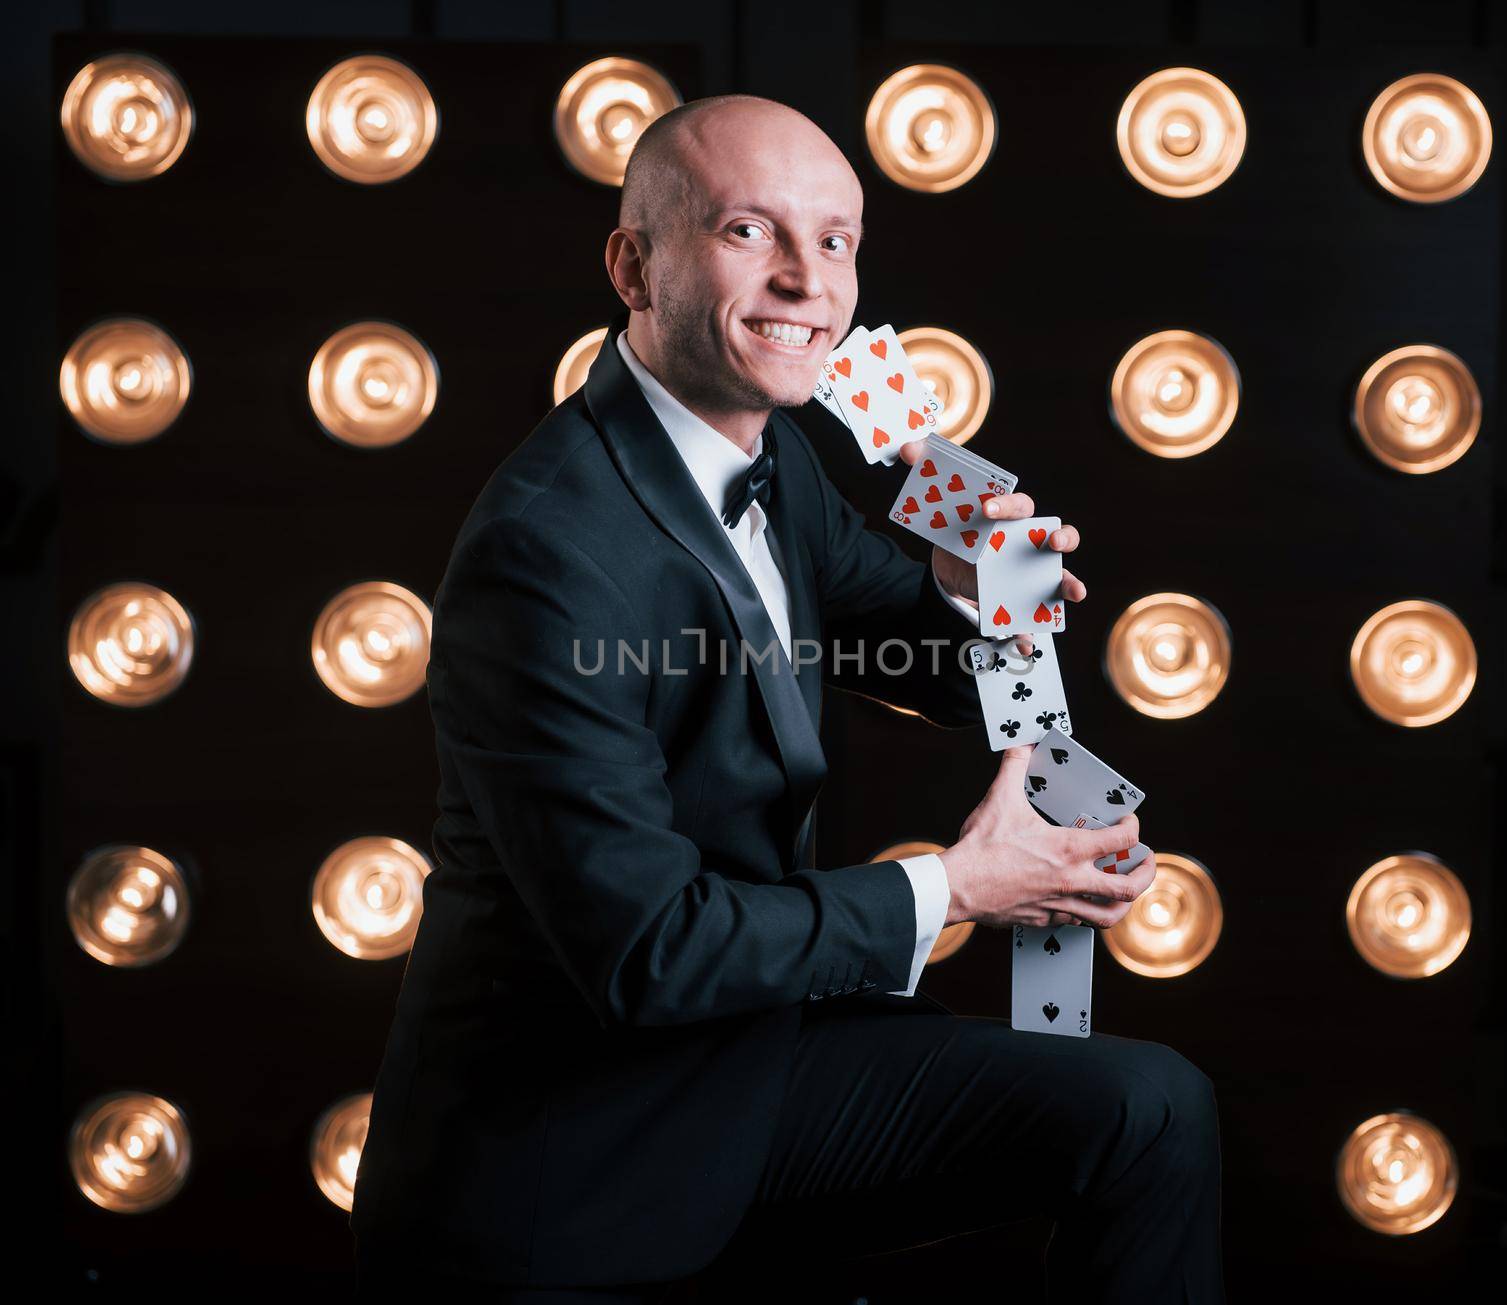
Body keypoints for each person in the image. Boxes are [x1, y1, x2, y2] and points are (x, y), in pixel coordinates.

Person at [350, 94, 1223, 1303]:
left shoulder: (775, 461)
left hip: (747, 1057)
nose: (808, 280)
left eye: (836, 240)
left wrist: (981, 598)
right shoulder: (543, 555)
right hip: (579, 1154)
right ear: (634, 266)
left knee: (1151, 1110)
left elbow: (917, 656)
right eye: (749, 232)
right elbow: (651, 953)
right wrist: (961, 887)